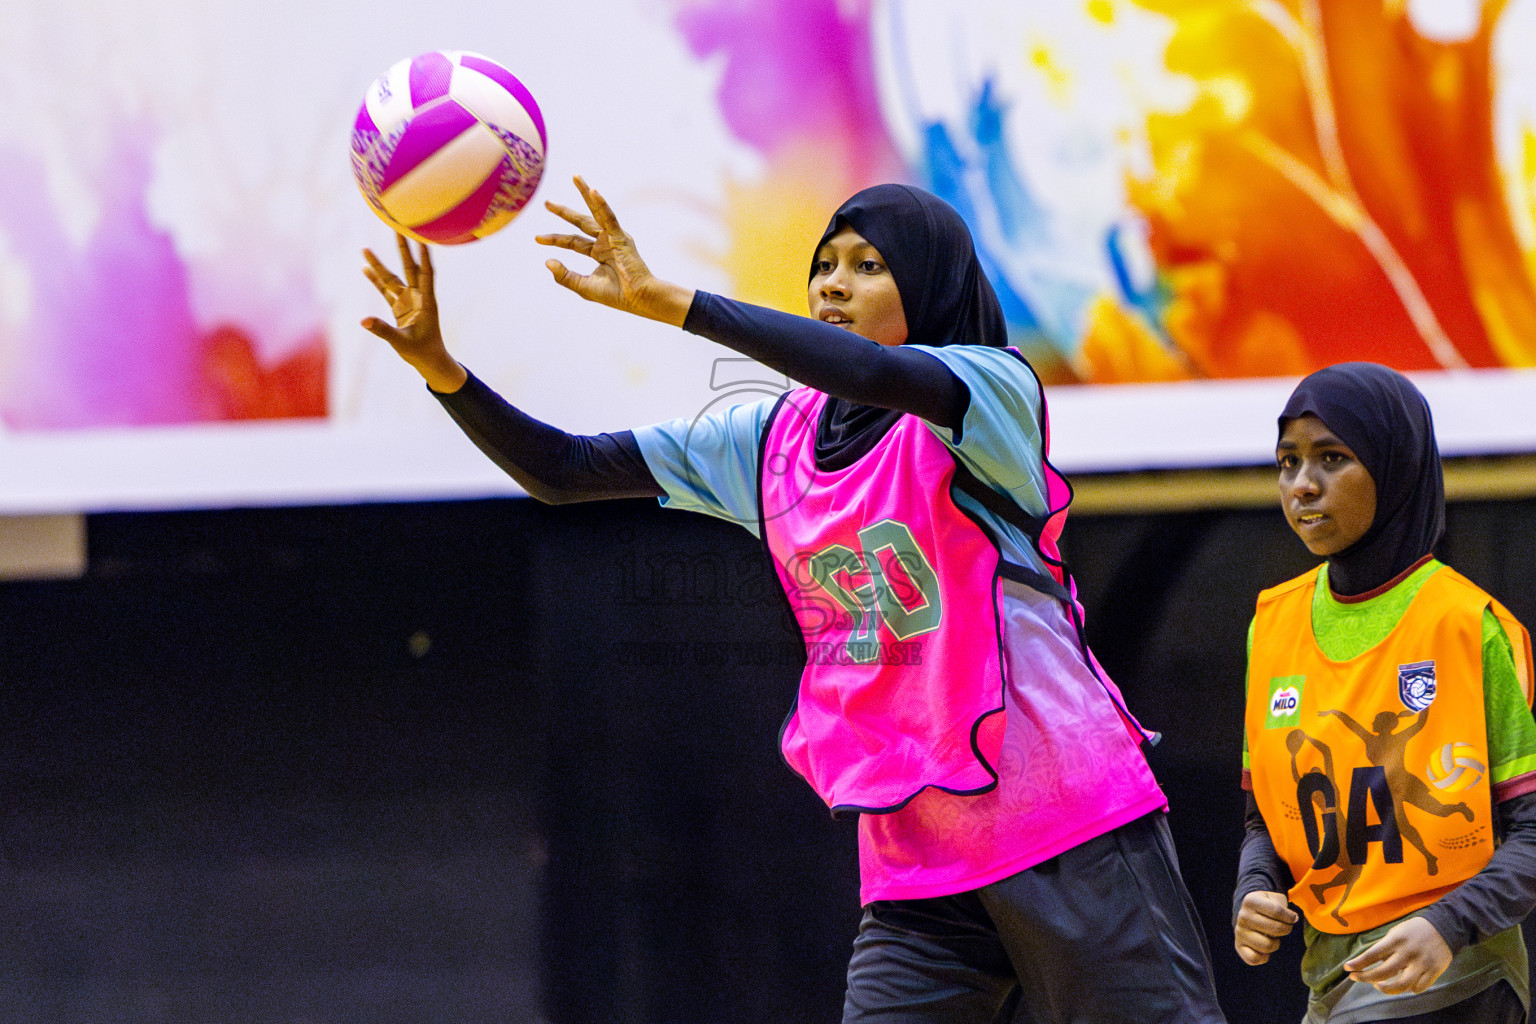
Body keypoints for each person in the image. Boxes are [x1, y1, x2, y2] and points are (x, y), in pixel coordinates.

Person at [362, 176, 1228, 1023]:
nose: (834, 284)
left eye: (868, 266)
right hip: (918, 857)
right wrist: (444, 373)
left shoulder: (990, 391)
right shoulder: (775, 439)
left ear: (928, 286)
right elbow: (565, 471)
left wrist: (675, 303)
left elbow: (866, 369)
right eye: (825, 264)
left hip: (1062, 819)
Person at [1233, 362, 1536, 1023]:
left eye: (1332, 458)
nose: (1302, 486)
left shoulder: (1468, 626)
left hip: (1458, 976)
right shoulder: (1272, 623)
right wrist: (1255, 889)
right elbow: (1266, 819)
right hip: (1331, 981)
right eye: (1287, 463)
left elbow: (1532, 831)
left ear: (1395, 465)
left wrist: (1448, 925)